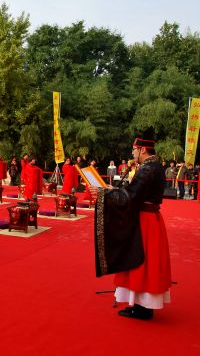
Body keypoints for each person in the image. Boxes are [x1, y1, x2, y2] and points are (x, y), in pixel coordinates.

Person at [94, 136, 171, 320]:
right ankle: (138, 304)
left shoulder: (148, 169)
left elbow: (132, 196)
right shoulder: (155, 167)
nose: (133, 153)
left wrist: (104, 193)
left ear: (143, 150)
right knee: (140, 260)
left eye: (134, 150)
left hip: (145, 221)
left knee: (141, 261)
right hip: (150, 219)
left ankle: (143, 308)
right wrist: (114, 190)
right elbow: (133, 191)